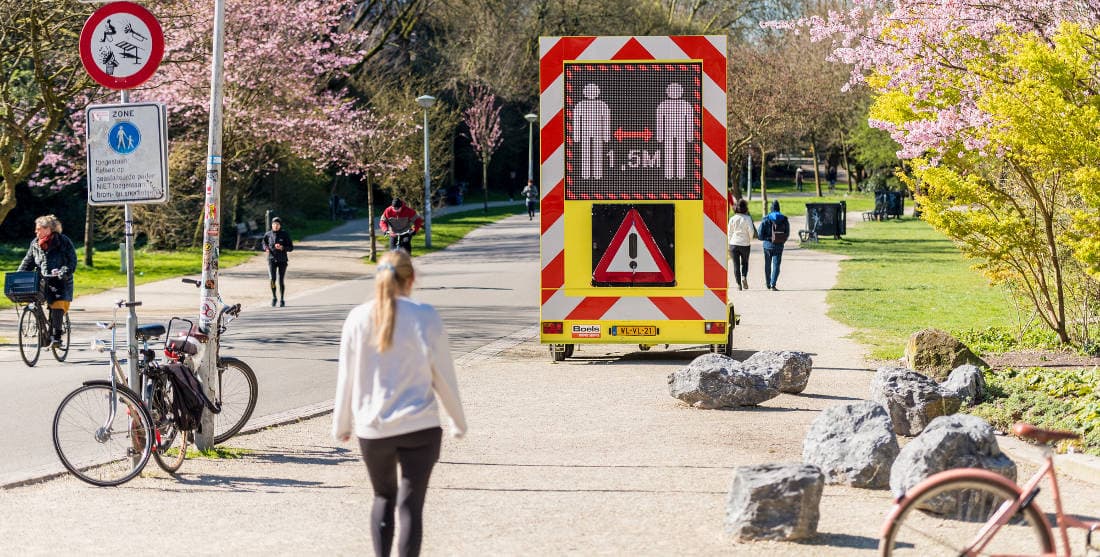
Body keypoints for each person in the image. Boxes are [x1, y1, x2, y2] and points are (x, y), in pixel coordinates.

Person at [333, 249, 467, 557]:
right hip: (421, 427)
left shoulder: (357, 318)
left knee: (382, 498)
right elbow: (443, 376)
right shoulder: (425, 316)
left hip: (374, 429)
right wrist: (457, 422)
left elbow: (347, 377)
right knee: (411, 507)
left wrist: (342, 425)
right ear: (412, 279)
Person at [17, 215, 77, 346]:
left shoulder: (63, 241)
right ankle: (42, 331)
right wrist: (18, 276)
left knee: (57, 304)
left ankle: (56, 336)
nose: (35, 231)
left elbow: (72, 261)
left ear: (48, 229)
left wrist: (64, 271)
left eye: (38, 229)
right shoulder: (35, 243)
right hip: (43, 279)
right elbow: (28, 261)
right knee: (34, 299)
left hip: (61, 281)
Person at [758, 200, 790, 291]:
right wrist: (782, 241)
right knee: (776, 265)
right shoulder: (784, 219)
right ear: (779, 208)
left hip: (767, 245)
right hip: (779, 245)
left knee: (767, 265)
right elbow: (787, 233)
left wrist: (764, 239)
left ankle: (768, 283)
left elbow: (760, 234)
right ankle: (773, 284)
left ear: (771, 209)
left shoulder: (766, 219)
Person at [262, 217, 294, 307]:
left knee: (281, 280)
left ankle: (282, 299)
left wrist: (282, 247)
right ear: (272, 225)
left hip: (282, 260)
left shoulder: (285, 234)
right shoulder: (268, 234)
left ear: (280, 225)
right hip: (271, 260)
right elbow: (264, 243)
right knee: (272, 279)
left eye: (277, 224)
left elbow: (291, 247)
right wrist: (266, 248)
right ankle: (274, 297)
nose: (275, 226)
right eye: (274, 224)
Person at [727, 199, 756, 291]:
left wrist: (730, 242)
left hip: (733, 244)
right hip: (745, 244)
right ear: (745, 208)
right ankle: (744, 276)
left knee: (736, 265)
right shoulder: (747, 218)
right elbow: (751, 231)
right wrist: (750, 239)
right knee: (745, 262)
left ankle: (738, 284)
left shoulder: (732, 218)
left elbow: (729, 232)